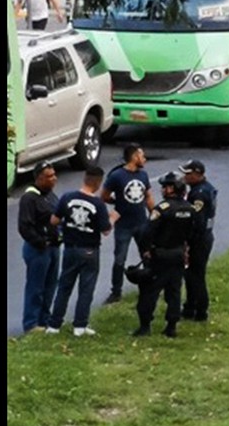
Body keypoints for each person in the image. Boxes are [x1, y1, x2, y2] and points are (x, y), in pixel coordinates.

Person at [46, 165, 111, 336]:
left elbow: (53, 220)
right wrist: (113, 218)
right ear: (98, 183)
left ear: (85, 178)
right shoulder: (98, 204)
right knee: (86, 289)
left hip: (70, 249)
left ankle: (54, 325)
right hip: (89, 250)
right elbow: (105, 230)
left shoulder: (67, 197)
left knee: (64, 287)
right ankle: (80, 326)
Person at [133, 172, 197, 338]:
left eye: (165, 186)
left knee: (149, 291)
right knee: (174, 291)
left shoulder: (162, 209)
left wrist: (146, 250)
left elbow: (147, 231)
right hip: (178, 254)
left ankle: (145, 326)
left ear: (172, 189)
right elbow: (193, 233)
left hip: (160, 255)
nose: (162, 189)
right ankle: (171, 326)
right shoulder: (190, 209)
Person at [102, 143, 151, 304]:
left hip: (142, 222)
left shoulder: (143, 175)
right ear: (134, 156)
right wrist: (115, 203)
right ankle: (116, 291)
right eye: (142, 155)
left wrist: (155, 215)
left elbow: (148, 197)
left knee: (147, 255)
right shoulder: (116, 176)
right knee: (119, 259)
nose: (144, 159)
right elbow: (104, 195)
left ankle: (150, 286)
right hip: (124, 225)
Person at [18, 164, 62, 334]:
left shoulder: (51, 196)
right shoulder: (29, 198)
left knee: (50, 286)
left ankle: (44, 320)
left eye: (54, 175)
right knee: (36, 287)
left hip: (54, 248)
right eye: (49, 176)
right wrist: (40, 242)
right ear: (39, 178)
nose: (54, 179)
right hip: (38, 250)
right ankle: (31, 323)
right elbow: (24, 227)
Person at [179, 159, 217, 322]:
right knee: (191, 274)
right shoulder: (204, 188)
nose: (185, 177)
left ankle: (201, 310)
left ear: (197, 174)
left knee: (196, 275)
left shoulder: (198, 194)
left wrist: (188, 241)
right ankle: (190, 306)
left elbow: (197, 221)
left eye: (188, 174)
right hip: (205, 237)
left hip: (199, 240)